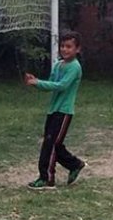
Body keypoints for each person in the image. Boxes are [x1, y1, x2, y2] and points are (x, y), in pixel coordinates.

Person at [24, 31, 86, 189]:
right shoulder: (58, 65)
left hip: (64, 112)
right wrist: (35, 82)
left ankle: (46, 178)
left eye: (69, 47)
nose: (65, 49)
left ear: (77, 49)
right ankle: (75, 164)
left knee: (50, 145)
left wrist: (38, 83)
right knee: (53, 144)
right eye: (62, 46)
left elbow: (61, 86)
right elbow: (51, 84)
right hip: (53, 110)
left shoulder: (75, 67)